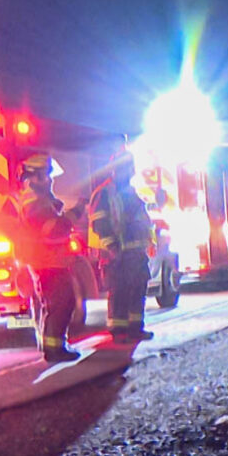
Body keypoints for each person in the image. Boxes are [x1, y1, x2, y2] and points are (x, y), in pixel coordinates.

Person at [5, 153, 79, 362]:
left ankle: (55, 347)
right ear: (36, 177)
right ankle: (54, 350)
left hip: (46, 260)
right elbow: (52, 230)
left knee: (58, 303)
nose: (51, 180)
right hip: (47, 262)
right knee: (61, 303)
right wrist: (75, 214)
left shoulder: (38, 199)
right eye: (47, 176)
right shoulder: (34, 201)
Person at [88, 145, 155, 343]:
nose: (128, 172)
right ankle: (118, 331)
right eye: (125, 168)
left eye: (130, 168)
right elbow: (99, 222)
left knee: (137, 289)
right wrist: (112, 247)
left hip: (135, 253)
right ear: (115, 169)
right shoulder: (105, 193)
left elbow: (141, 220)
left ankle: (135, 328)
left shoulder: (131, 192)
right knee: (119, 291)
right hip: (116, 254)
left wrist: (148, 243)